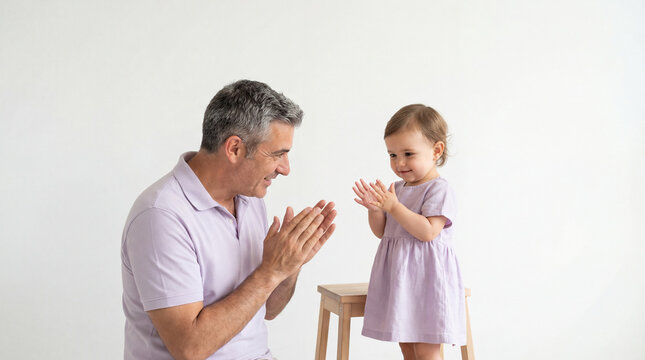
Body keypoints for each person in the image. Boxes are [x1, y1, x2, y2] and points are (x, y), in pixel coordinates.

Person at [121, 80, 337, 360]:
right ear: (234, 148)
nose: (285, 168)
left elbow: (268, 309)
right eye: (277, 154)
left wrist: (288, 266)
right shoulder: (161, 215)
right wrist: (270, 271)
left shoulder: (250, 200)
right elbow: (190, 348)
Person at [353, 104, 465, 360]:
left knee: (426, 350)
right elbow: (383, 233)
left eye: (408, 153)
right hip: (402, 281)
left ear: (436, 150)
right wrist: (375, 210)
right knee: (407, 348)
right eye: (392, 155)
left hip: (427, 282)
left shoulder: (438, 189)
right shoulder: (397, 189)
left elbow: (427, 232)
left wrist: (393, 206)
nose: (399, 163)